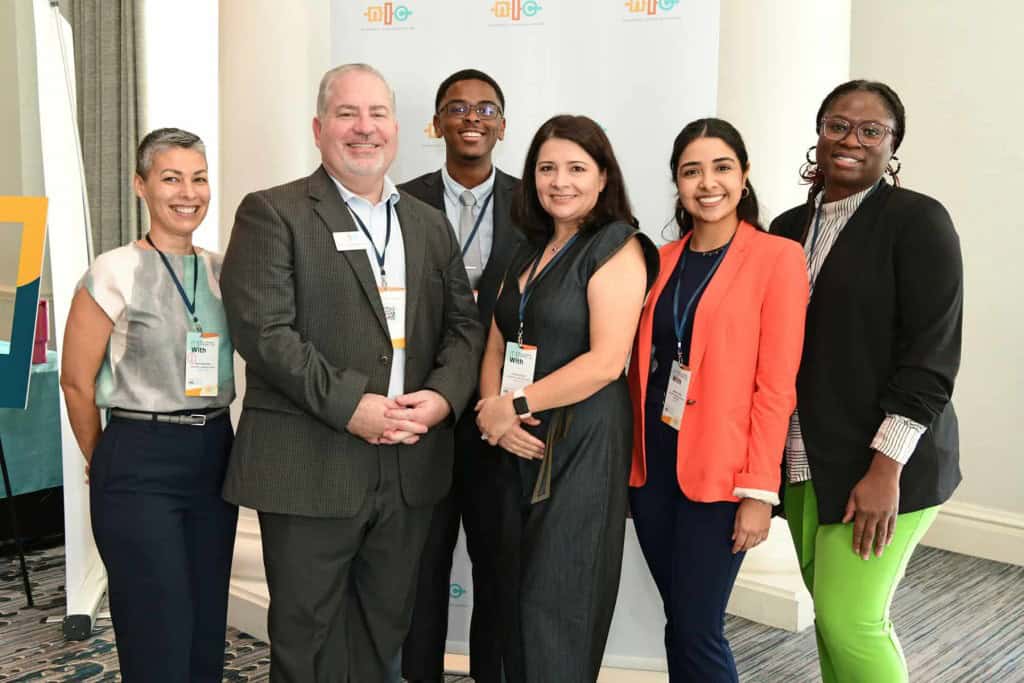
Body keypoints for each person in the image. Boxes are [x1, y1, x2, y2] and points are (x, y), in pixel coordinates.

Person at [219, 63, 484, 682]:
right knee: (305, 640)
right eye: (346, 114)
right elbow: (265, 334)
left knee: (380, 631)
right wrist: (352, 407)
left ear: (397, 128)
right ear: (318, 128)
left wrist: (443, 399)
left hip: (408, 468)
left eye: (377, 114)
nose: (364, 129)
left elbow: (465, 328)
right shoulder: (272, 213)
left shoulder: (426, 222)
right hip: (312, 464)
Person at [771, 80, 963, 683]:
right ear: (819, 132)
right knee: (833, 620)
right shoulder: (785, 226)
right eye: (838, 125)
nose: (851, 140)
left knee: (852, 620)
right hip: (805, 457)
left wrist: (885, 470)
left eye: (870, 130)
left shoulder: (918, 221)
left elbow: (931, 357)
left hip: (884, 463)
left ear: (892, 143)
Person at [475, 114, 658, 683]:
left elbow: (607, 362)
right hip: (510, 444)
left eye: (577, 168)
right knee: (509, 595)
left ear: (603, 177)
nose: (561, 181)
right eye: (547, 168)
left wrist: (516, 405)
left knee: (558, 601)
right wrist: (491, 415)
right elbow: (497, 340)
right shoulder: (524, 248)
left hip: (581, 443)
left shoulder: (616, 246)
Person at [626, 118, 808, 682]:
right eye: (692, 170)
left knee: (699, 626)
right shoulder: (658, 259)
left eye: (722, 167)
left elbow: (776, 385)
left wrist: (759, 492)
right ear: (677, 183)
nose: (708, 183)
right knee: (679, 621)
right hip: (652, 465)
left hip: (724, 475)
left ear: (744, 174)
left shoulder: (777, 258)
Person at [60, 128, 237, 682]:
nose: (189, 192)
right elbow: (75, 382)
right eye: (170, 178)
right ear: (141, 186)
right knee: (157, 625)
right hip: (139, 457)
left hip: (215, 453)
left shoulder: (222, 270)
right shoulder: (112, 271)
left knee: (207, 624)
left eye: (199, 177)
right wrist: (103, 455)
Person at [398, 68, 523, 683]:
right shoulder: (399, 201)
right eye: (457, 107)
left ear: (503, 123)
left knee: (502, 569)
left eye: (486, 108)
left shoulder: (533, 203)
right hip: (422, 413)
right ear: (437, 123)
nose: (472, 118)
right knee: (421, 570)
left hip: (501, 419)